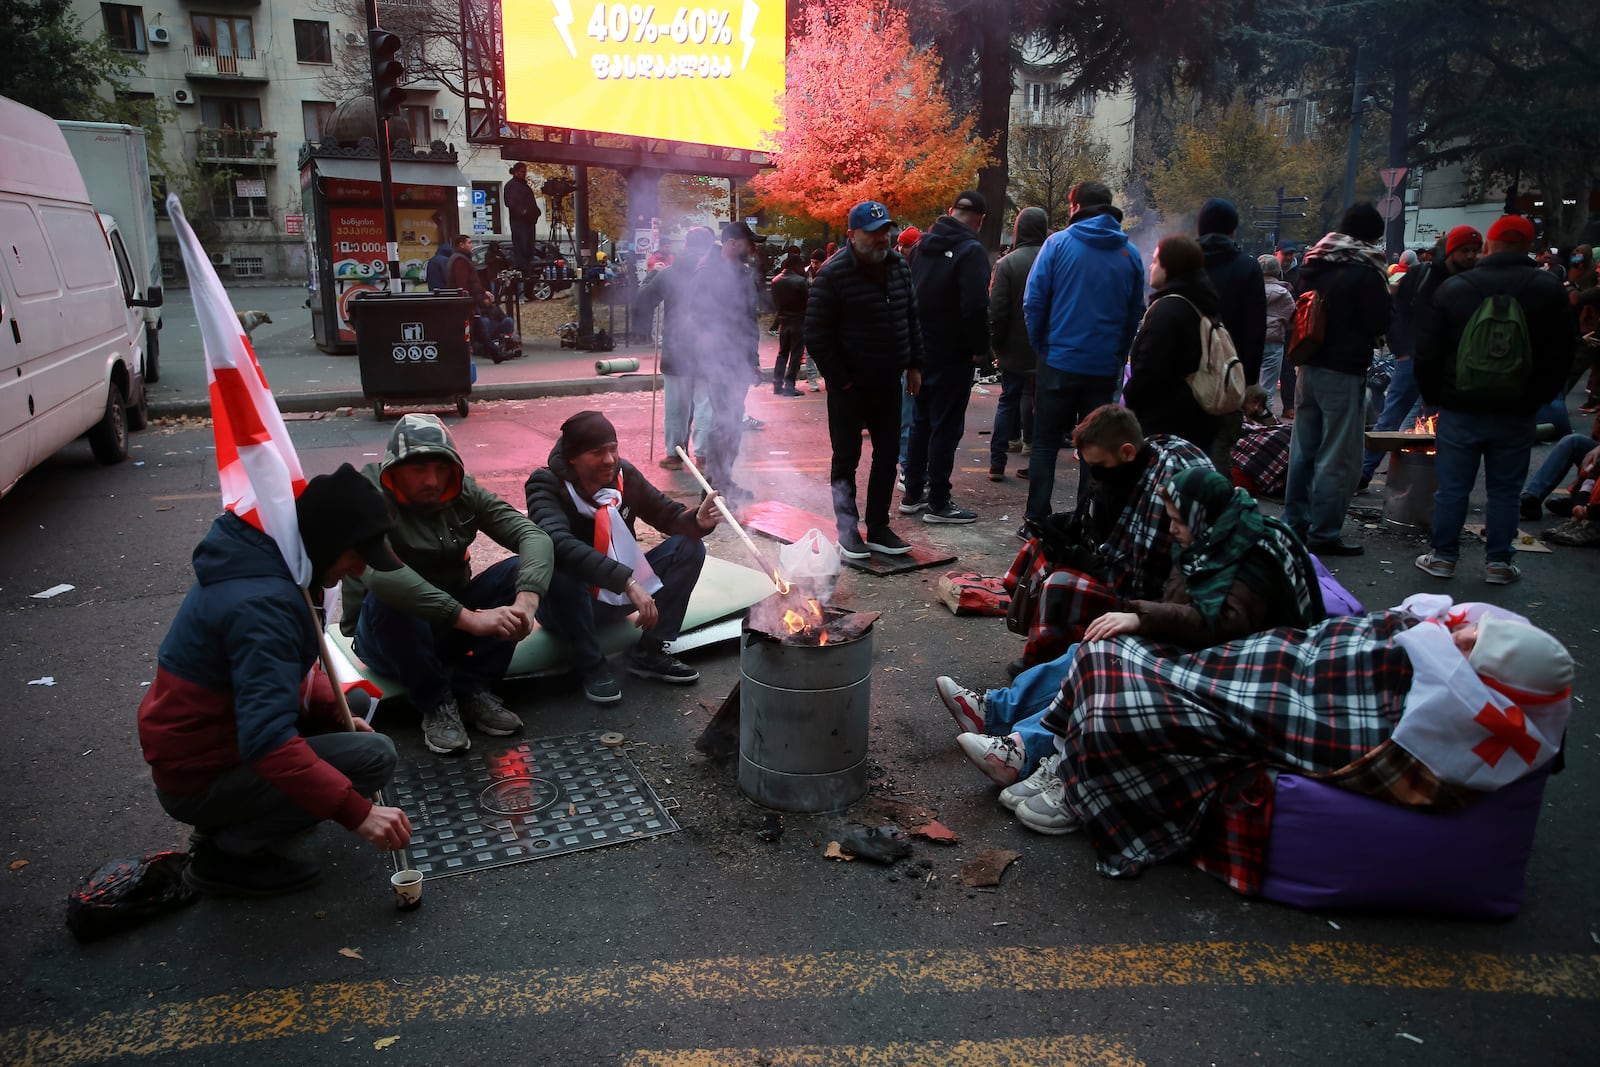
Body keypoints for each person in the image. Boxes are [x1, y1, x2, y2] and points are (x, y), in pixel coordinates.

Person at [1019, 596, 1571, 893]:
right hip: (1277, 662)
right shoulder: (1437, 633)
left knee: (1120, 672)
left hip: (1291, 701)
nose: (1459, 635)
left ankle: (1063, 765)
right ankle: (1044, 743)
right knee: (1104, 649)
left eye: (1473, 644)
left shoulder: (1454, 724)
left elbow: (1348, 725)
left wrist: (1149, 617)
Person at [941, 467, 1323, 795]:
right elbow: (1183, 605)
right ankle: (995, 712)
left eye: (1177, 520)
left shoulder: (1252, 551)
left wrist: (1142, 619)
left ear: (1200, 516)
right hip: (1209, 649)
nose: (1171, 529)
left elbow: (1224, 624)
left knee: (1105, 664)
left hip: (1247, 671)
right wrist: (1142, 621)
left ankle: (1022, 749)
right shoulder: (1211, 539)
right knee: (1089, 649)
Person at [139, 465, 413, 897]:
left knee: (351, 710)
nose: (360, 570)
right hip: (201, 775)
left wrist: (332, 714)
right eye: (356, 555)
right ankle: (227, 854)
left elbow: (294, 673)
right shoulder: (262, 606)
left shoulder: (277, 569)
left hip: (212, 745)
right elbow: (265, 740)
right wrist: (357, 812)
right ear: (327, 544)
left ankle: (243, 819)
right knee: (373, 756)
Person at [341, 414, 554, 755]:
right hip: (385, 636)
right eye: (419, 469)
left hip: (445, 625)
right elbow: (382, 575)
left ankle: (472, 689)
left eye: (441, 469)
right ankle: (435, 703)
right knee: (390, 597)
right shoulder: (366, 494)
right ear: (394, 468)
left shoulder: (460, 489)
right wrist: (470, 619)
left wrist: (526, 603)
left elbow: (532, 536)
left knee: (519, 571)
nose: (432, 480)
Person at [1414, 214, 1575, 585]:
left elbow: (1428, 352)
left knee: (1453, 486)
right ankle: (1499, 562)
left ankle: (1443, 557)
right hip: (1516, 409)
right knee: (1505, 489)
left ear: (1489, 246)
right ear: (1529, 247)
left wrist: (1433, 399)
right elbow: (1562, 353)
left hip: (1459, 406)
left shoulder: (1457, 288)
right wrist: (1538, 396)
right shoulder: (1548, 289)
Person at [525, 411, 720, 702]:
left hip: (618, 596)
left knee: (688, 547)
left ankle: (650, 651)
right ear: (573, 458)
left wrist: (697, 521)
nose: (608, 459)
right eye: (596, 452)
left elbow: (666, 514)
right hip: (568, 608)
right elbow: (558, 542)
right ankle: (591, 666)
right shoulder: (546, 485)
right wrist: (627, 581)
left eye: (612, 448)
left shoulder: (623, 476)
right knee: (560, 568)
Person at [1006, 404, 1213, 672]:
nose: (1096, 473)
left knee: (1060, 583)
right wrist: (1068, 527)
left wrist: (1079, 558)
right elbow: (1106, 529)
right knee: (1037, 549)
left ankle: (1046, 663)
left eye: (1100, 465)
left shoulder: (1162, 494)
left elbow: (1140, 584)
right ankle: (1045, 641)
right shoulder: (1132, 467)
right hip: (1124, 571)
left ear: (1127, 452)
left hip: (1158, 601)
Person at [1021, 180, 1146, 531]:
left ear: (1075, 206)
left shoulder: (1057, 244)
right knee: (1096, 446)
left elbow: (1033, 302)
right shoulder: (1129, 254)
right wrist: (1119, 356)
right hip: (1102, 366)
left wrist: (1042, 346)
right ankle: (1088, 518)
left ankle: (1036, 518)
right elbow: (1134, 311)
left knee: (1045, 442)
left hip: (1058, 360)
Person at [804, 199, 923, 559]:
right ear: (852, 235)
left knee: (887, 455)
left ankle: (878, 526)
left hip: (889, 381)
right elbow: (816, 334)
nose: (882, 238)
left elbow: (911, 317)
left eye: (885, 231)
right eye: (873, 233)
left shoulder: (898, 266)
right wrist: (842, 380)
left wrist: (914, 364)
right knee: (847, 458)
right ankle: (847, 529)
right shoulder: (833, 273)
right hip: (849, 387)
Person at [1281, 203, 1393, 556]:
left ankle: (1293, 524)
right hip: (1344, 370)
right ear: (1371, 235)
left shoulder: (1314, 262)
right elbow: (1378, 322)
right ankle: (1324, 531)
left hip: (1307, 364)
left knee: (1303, 452)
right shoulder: (1366, 270)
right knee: (1336, 455)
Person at [1359, 225, 1483, 490]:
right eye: (1465, 250)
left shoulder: (1474, 282)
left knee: (1432, 423)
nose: (1471, 256)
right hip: (1413, 360)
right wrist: (1402, 351)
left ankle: (1420, 483)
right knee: (1392, 418)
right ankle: (1364, 471)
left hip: (1447, 366)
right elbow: (1398, 312)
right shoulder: (1422, 275)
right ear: (1450, 251)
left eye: (1475, 250)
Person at [902, 190, 992, 524]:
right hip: (953, 352)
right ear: (980, 220)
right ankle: (939, 501)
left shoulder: (922, 246)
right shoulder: (971, 252)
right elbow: (975, 307)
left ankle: (913, 493)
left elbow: (909, 295)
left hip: (922, 349)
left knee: (921, 421)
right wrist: (980, 348)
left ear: (950, 210)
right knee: (946, 426)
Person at [1122, 234, 1223, 453]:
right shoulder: (1200, 303)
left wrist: (1130, 396)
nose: (1151, 266)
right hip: (1195, 417)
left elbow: (1149, 371)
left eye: (1156, 261)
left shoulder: (1167, 311)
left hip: (1165, 423)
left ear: (1171, 267)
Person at [689, 221, 766, 502]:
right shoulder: (707, 274)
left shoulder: (742, 274)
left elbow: (749, 318)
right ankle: (714, 486)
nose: (752, 248)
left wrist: (752, 360)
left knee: (733, 419)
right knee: (725, 421)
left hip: (738, 358)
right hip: (718, 358)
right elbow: (696, 319)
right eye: (749, 242)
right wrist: (711, 355)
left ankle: (723, 481)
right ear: (733, 243)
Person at [635, 227, 715, 470]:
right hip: (708, 347)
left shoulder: (669, 273)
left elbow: (643, 301)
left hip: (676, 347)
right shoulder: (715, 272)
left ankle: (674, 453)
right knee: (705, 402)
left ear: (686, 245)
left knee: (676, 406)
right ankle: (703, 453)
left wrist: (651, 277)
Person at [1196, 199, 1266, 470]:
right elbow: (1255, 328)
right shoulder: (1247, 267)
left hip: (1188, 372)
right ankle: (1216, 506)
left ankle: (1181, 507)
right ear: (1233, 230)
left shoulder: (1184, 261)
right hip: (1229, 373)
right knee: (1221, 447)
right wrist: (1248, 380)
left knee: (1185, 444)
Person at [987, 207, 1048, 482]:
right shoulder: (1053, 260)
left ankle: (997, 463)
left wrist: (996, 346)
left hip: (1013, 345)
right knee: (1042, 402)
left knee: (1007, 401)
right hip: (1046, 346)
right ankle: (1036, 458)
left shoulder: (1007, 264)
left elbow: (997, 311)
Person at [1258, 255, 1295, 416]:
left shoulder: (1250, 290)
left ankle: (1246, 419)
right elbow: (1292, 317)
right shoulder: (1284, 293)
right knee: (1268, 385)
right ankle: (1264, 416)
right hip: (1274, 342)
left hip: (1252, 341)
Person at [769, 252, 810, 396]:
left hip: (783, 321)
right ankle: (789, 385)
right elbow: (807, 302)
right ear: (797, 266)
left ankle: (777, 384)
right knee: (796, 354)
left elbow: (774, 303)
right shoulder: (800, 281)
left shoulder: (775, 281)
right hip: (798, 321)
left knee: (782, 353)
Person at [504, 162, 542, 274]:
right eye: (522, 172)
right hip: (520, 221)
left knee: (528, 246)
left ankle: (527, 265)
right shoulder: (511, 186)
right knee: (522, 246)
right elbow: (510, 203)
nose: (524, 174)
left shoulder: (524, 186)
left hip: (528, 221)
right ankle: (523, 267)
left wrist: (535, 212)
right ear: (515, 172)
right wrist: (523, 211)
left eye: (525, 172)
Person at [474, 289, 521, 362]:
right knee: (485, 321)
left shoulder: (495, 308)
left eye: (488, 299)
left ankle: (509, 341)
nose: (487, 301)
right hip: (486, 332)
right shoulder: (479, 311)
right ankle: (489, 347)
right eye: (485, 299)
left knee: (508, 320)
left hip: (497, 329)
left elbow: (503, 318)